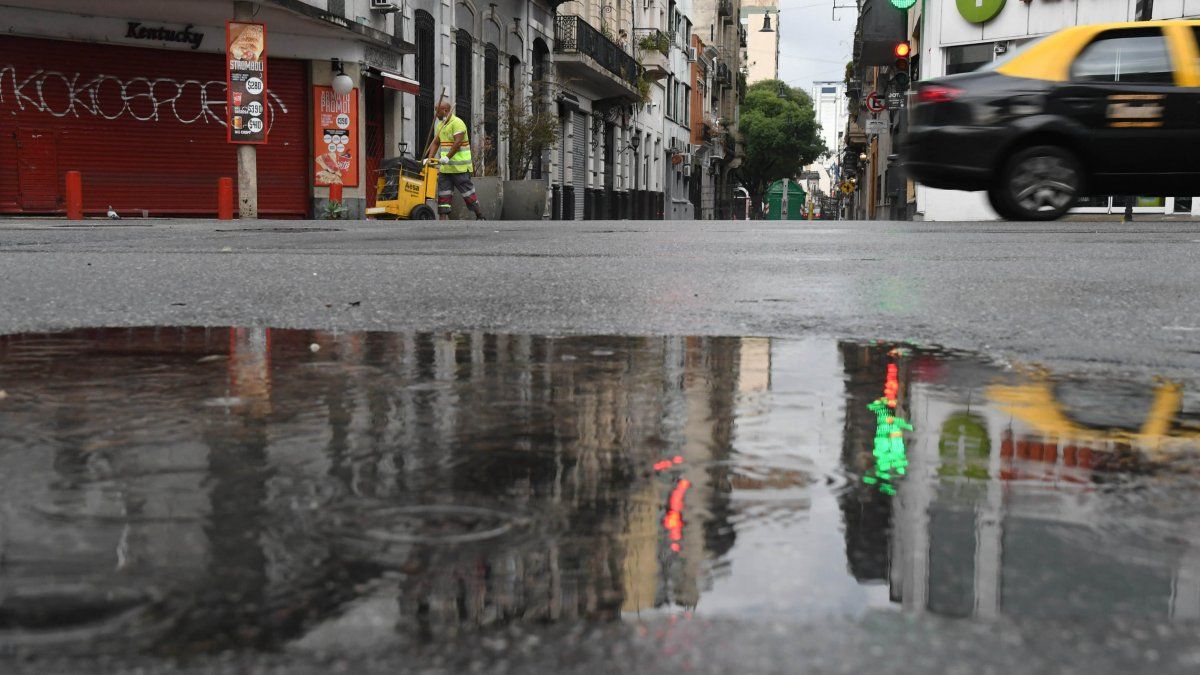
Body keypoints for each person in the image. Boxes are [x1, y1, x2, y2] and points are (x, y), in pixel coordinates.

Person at [425, 102, 485, 220]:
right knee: (443, 195)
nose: (435, 114)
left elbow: (457, 143)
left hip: (460, 168)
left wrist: (447, 157)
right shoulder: (440, 126)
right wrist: (430, 158)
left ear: (445, 110)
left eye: (437, 111)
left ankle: (480, 215)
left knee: (468, 193)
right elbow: (436, 142)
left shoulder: (458, 123)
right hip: (446, 169)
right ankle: (442, 221)